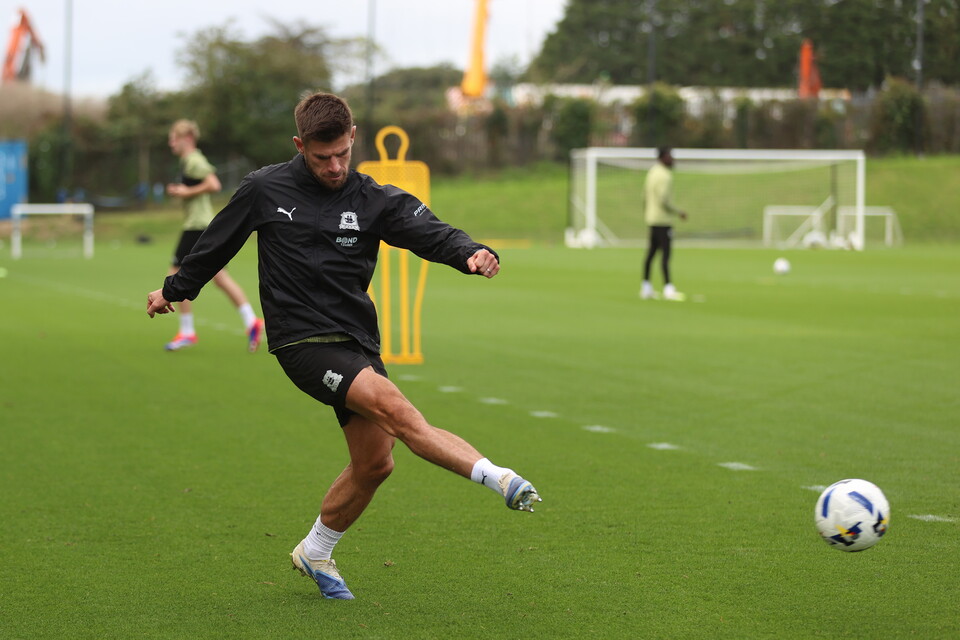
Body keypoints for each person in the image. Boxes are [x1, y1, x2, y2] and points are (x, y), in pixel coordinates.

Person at [146, 92, 541, 600]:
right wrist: (173, 291)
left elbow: (431, 232)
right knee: (396, 409)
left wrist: (472, 252)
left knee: (376, 462)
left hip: (356, 340)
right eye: (320, 157)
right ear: (299, 145)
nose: (333, 167)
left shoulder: (373, 199)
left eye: (341, 155)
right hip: (301, 340)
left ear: (353, 138)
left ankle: (315, 550)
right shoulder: (266, 188)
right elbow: (215, 242)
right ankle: (498, 478)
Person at [163, 119, 264, 351]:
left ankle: (187, 331)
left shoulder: (193, 160)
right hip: (202, 224)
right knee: (219, 277)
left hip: (196, 225)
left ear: (187, 138)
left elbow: (213, 183)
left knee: (176, 274)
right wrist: (183, 191)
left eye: (174, 138)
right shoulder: (188, 161)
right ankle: (252, 321)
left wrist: (186, 190)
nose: (171, 143)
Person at [641, 146, 688, 301]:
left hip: (651, 219)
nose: (672, 159)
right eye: (670, 156)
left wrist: (647, 212)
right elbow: (664, 200)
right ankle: (668, 288)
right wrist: (678, 212)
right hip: (662, 220)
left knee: (651, 253)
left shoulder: (652, 172)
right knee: (666, 255)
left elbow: (644, 197)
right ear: (663, 157)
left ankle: (646, 287)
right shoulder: (665, 176)